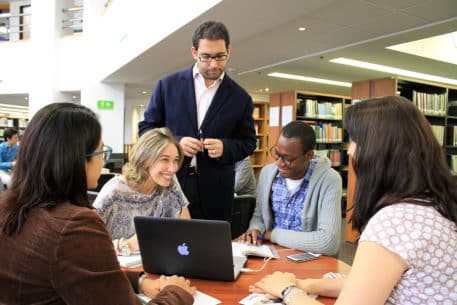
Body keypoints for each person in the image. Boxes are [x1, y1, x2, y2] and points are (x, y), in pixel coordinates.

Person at [249, 96, 457, 305]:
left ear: (378, 151)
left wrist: (288, 291)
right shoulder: (430, 204)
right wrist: (305, 285)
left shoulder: (395, 222)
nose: (350, 150)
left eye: (355, 141)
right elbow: (369, 282)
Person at [0, 103, 195, 305]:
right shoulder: (75, 226)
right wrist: (177, 293)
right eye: (101, 152)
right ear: (76, 160)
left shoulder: (14, 209)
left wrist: (139, 281)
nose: (104, 161)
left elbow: (77, 270)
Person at [138, 21, 256, 221]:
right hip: (170, 183)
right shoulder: (168, 86)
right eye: (206, 57)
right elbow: (146, 130)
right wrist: (174, 144)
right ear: (194, 52)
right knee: (166, 243)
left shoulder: (240, 97)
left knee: (209, 248)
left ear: (229, 50)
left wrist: (225, 147)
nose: (214, 64)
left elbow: (248, 142)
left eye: (220, 56)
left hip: (216, 192)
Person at [239, 121, 342, 256]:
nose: (279, 162)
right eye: (276, 154)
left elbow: (328, 242)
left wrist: (274, 235)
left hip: (311, 260)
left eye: (288, 159)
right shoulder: (268, 173)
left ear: (308, 156)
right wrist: (255, 229)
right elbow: (259, 215)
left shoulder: (329, 179)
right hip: (272, 255)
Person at [93, 127, 191, 256]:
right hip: (116, 268)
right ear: (145, 159)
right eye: (164, 159)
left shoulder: (169, 181)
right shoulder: (115, 191)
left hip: (155, 263)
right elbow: (84, 244)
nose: (173, 168)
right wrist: (128, 244)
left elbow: (187, 230)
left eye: (176, 160)